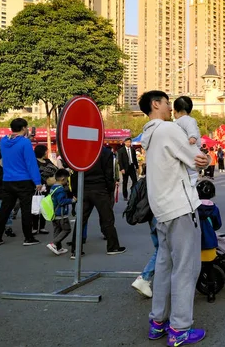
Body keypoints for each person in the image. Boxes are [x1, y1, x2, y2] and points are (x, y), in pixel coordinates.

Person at [139, 90, 209, 344]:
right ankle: (180, 329)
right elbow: (198, 159)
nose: (171, 108)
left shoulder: (149, 134)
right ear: (156, 104)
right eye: (167, 104)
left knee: (164, 266)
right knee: (185, 268)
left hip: (162, 209)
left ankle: (158, 322)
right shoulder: (168, 130)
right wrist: (207, 158)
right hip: (180, 207)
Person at [70, 146, 126, 257]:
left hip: (84, 188)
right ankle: (113, 246)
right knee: (107, 218)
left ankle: (76, 250)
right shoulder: (105, 152)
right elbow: (108, 173)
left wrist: (76, 191)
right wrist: (110, 189)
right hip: (100, 188)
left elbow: (75, 173)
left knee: (81, 220)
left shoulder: (81, 150)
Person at [0, 118, 43, 246]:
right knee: (26, 210)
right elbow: (31, 163)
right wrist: (37, 181)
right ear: (23, 128)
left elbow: (8, 141)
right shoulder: (25, 143)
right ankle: (28, 238)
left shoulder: (4, 141)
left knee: (5, 210)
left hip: (7, 180)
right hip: (24, 181)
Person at [131, 166, 157, 299]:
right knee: (164, 249)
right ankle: (144, 278)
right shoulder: (159, 178)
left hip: (152, 218)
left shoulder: (148, 180)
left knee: (162, 249)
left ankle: (145, 278)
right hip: (161, 216)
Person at [196, 180, 222, 303]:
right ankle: (211, 293)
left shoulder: (193, 208)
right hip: (209, 242)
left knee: (192, 268)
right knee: (210, 267)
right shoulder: (214, 209)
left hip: (194, 242)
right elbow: (218, 225)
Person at [46, 169, 76, 255]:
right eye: (66, 180)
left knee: (57, 230)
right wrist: (72, 200)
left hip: (54, 213)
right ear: (63, 179)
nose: (67, 182)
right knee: (67, 229)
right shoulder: (60, 189)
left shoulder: (53, 187)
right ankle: (54, 244)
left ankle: (58, 248)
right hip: (61, 214)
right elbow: (61, 201)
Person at [173, 96, 202, 187]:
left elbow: (192, 129)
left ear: (175, 111)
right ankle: (192, 176)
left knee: (191, 163)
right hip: (190, 146)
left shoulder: (187, 120)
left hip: (192, 145)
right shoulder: (181, 121)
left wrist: (192, 137)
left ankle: (193, 176)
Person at [34, 144, 58, 235]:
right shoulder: (34, 161)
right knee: (36, 207)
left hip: (47, 187)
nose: (46, 152)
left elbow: (55, 169)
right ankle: (35, 227)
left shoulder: (47, 161)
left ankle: (42, 227)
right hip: (37, 187)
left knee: (45, 206)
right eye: (45, 151)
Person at [0, 145, 15, 238]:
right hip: (2, 192)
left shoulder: (4, 166)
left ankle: (8, 229)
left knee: (6, 213)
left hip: (3, 193)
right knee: (3, 213)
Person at [117, 137, 139, 201]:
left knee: (135, 181)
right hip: (125, 168)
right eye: (127, 142)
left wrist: (137, 167)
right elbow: (120, 161)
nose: (128, 143)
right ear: (125, 143)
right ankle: (125, 196)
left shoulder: (132, 150)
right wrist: (122, 168)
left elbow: (134, 159)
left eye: (129, 142)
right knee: (125, 182)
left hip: (132, 167)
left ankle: (134, 193)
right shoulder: (121, 150)